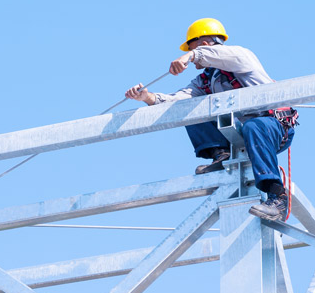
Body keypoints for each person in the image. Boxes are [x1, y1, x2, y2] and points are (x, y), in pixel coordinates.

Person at [125, 18, 297, 221]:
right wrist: (147, 97)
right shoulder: (206, 79)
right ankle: (221, 153)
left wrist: (190, 56)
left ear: (204, 44)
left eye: (192, 49)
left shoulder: (241, 56)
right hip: (245, 131)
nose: (194, 61)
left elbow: (214, 55)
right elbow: (177, 101)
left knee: (253, 125)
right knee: (190, 109)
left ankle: (276, 195)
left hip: (272, 126)